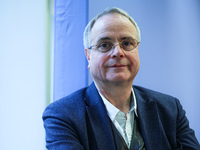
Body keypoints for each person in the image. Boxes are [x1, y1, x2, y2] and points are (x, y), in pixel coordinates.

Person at [42, 7, 200, 150]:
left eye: (126, 43)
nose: (118, 52)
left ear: (137, 49)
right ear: (88, 56)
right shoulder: (63, 116)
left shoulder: (170, 108)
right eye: (104, 45)